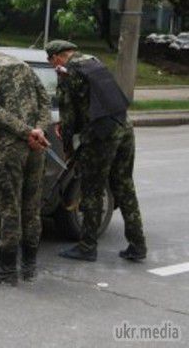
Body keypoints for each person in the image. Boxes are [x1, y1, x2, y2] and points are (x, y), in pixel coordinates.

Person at [45, 40, 147, 262]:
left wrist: (68, 150)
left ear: (57, 57)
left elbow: (68, 119)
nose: (53, 66)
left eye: (51, 61)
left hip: (102, 135)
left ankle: (87, 247)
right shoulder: (94, 63)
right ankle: (138, 245)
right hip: (124, 127)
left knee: (91, 188)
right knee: (124, 185)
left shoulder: (68, 73)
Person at [0, 25, 52, 285]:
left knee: (9, 208)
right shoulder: (21, 64)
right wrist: (38, 130)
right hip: (36, 148)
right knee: (31, 206)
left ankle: (6, 269)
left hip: (8, 148)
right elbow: (45, 100)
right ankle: (29, 266)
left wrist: (26, 132)